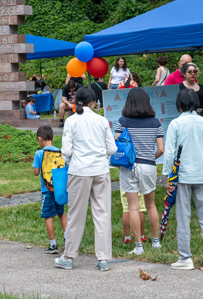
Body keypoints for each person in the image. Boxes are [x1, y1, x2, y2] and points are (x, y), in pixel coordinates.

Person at [54, 87, 117, 271]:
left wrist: (73, 160)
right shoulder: (102, 120)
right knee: (103, 214)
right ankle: (103, 259)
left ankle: (69, 257)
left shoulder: (71, 121)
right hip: (100, 170)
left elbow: (66, 151)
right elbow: (112, 149)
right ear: (93, 102)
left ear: (77, 101)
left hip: (79, 170)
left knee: (76, 214)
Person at [163, 89, 203, 270]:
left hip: (182, 176)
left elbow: (170, 153)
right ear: (198, 104)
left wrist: (167, 177)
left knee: (183, 217)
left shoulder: (176, 124)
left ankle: (185, 258)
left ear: (179, 106)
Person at [116, 88, 164, 255]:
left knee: (133, 207)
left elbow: (117, 144)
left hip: (129, 166)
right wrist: (151, 157)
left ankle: (138, 247)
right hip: (149, 165)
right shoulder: (155, 122)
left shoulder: (123, 122)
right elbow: (161, 149)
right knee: (150, 205)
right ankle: (156, 242)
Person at [32, 126, 68, 254]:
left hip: (47, 190)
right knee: (61, 213)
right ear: (53, 138)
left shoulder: (39, 153)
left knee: (49, 216)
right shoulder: (60, 152)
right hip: (59, 189)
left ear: (39, 139)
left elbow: (36, 172)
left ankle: (53, 245)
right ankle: (68, 238)